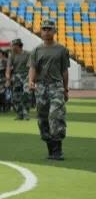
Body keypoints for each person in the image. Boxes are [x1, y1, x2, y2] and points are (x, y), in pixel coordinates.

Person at [29, 20, 70, 160]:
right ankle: (50, 149)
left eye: (49, 29)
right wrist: (30, 81)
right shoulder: (36, 50)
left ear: (54, 31)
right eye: (44, 29)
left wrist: (65, 89)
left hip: (56, 86)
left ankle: (58, 150)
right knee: (42, 118)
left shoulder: (62, 50)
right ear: (41, 31)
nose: (46, 32)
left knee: (56, 115)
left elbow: (64, 71)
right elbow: (33, 68)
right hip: (41, 87)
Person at [6, 39, 31, 120]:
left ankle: (26, 112)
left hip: (26, 76)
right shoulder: (12, 55)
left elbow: (31, 67)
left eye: (13, 45)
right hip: (16, 76)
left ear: (18, 45)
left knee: (26, 94)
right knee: (16, 96)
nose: (12, 47)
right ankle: (19, 113)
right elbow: (8, 68)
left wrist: (31, 79)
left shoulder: (28, 54)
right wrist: (8, 79)